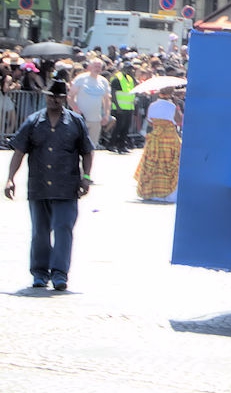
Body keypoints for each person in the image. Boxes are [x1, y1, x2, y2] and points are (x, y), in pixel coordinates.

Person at [3, 80, 94, 290]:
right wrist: (10, 178)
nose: (54, 100)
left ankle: (60, 273)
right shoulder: (34, 121)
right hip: (39, 186)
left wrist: (87, 176)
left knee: (63, 229)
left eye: (59, 97)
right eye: (51, 96)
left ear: (64, 99)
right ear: (45, 97)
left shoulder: (75, 122)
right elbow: (19, 152)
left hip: (67, 186)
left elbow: (87, 151)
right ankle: (40, 272)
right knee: (40, 232)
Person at [134, 86, 183, 202]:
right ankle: (168, 192)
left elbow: (150, 121)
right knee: (169, 164)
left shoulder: (152, 105)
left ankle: (151, 191)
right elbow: (179, 120)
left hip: (155, 138)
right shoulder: (172, 106)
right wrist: (176, 107)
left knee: (153, 163)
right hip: (169, 138)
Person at [68, 59, 111, 151]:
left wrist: (106, 115)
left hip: (95, 120)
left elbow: (107, 100)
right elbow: (70, 97)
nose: (97, 69)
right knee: (77, 146)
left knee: (91, 148)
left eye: (99, 67)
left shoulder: (103, 81)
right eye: (95, 66)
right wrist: (75, 109)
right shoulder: (81, 79)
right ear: (89, 67)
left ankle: (88, 165)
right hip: (81, 119)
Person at [107, 62, 137, 153]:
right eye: (128, 68)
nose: (130, 70)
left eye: (131, 69)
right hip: (119, 108)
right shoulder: (117, 79)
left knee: (126, 128)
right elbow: (113, 93)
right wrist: (117, 106)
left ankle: (122, 145)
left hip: (128, 107)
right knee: (118, 127)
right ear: (123, 68)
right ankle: (111, 144)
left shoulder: (130, 79)